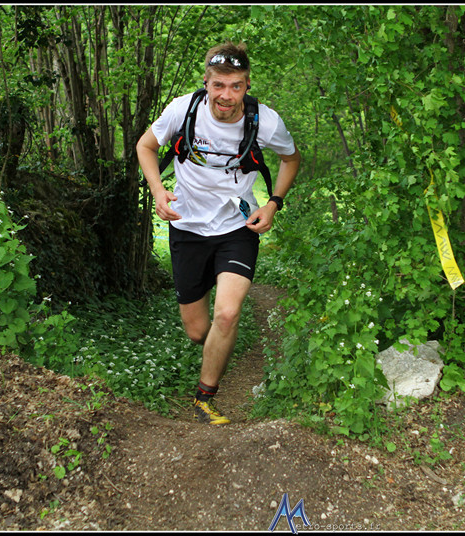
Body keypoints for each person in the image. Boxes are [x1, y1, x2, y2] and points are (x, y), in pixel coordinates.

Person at [136, 41, 300, 425]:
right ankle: (218, 345)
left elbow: (291, 159)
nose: (227, 95)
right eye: (219, 85)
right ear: (206, 83)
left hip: (236, 227)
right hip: (187, 226)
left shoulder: (265, 121)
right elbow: (145, 146)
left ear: (247, 85)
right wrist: (158, 190)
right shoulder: (183, 110)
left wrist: (273, 203)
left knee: (226, 314)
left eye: (236, 86)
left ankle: (204, 399)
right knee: (198, 331)